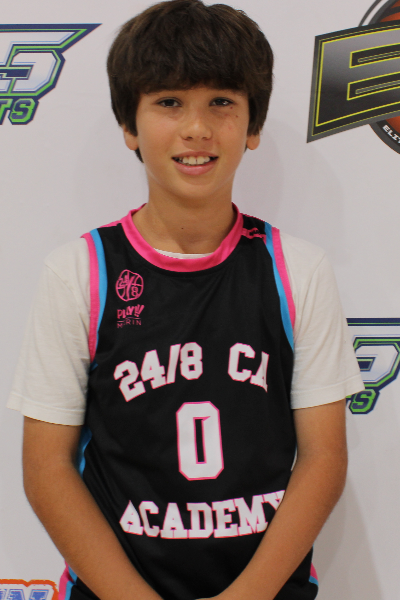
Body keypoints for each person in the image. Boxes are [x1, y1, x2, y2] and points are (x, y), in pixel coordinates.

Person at [7, 1, 364, 599]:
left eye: (221, 102)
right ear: (130, 126)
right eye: (169, 102)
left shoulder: (296, 271)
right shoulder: (79, 272)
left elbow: (324, 458)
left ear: (252, 126)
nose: (197, 128)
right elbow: (46, 469)